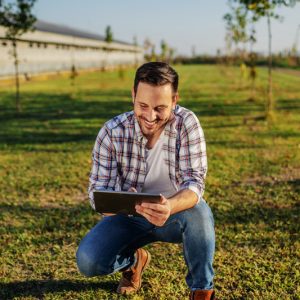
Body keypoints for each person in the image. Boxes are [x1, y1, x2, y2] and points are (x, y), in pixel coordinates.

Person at [76, 62, 215, 300]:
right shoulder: (112, 132)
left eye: (160, 107)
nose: (150, 117)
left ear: (175, 100)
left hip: (175, 213)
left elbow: (195, 183)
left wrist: (169, 206)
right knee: (89, 261)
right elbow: (97, 193)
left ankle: (202, 290)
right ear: (133, 95)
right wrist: (121, 201)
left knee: (199, 215)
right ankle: (133, 262)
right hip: (129, 217)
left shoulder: (187, 124)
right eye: (143, 106)